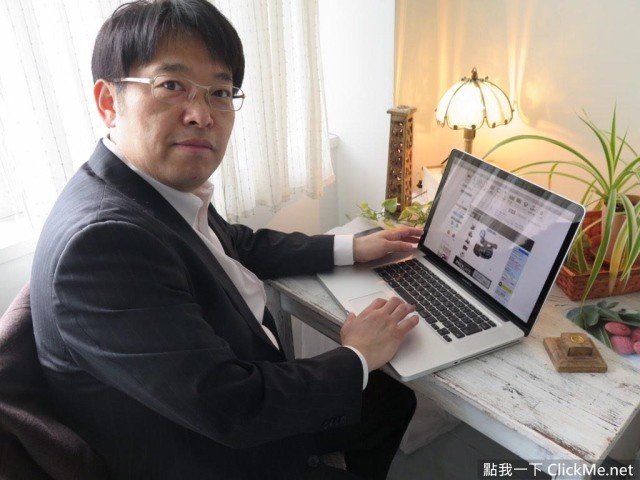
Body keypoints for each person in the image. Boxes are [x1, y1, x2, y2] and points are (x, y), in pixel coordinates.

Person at [30, 1, 423, 479]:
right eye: (171, 85)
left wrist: (352, 248)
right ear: (109, 102)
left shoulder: (148, 187)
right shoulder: (103, 245)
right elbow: (232, 408)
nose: (201, 114)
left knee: (390, 399)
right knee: (372, 385)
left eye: (219, 92)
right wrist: (356, 354)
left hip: (220, 408)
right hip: (211, 452)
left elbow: (236, 243)